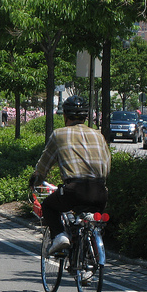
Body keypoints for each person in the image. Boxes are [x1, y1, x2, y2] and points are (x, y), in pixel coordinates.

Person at [29, 95, 110, 254]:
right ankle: (88, 258)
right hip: (100, 192)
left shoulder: (59, 135)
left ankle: (60, 236)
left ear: (65, 115)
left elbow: (44, 165)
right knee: (89, 223)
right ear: (86, 116)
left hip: (74, 190)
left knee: (49, 206)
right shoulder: (99, 135)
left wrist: (36, 180)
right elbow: (107, 165)